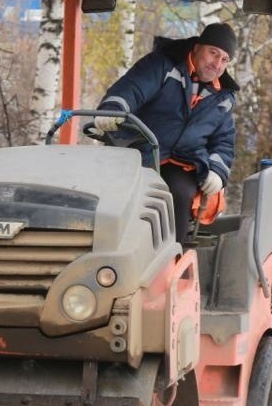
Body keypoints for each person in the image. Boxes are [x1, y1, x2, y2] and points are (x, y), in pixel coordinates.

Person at [93, 22, 238, 243]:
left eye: (225, 60)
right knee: (114, 193)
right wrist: (112, 109)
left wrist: (217, 170)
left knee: (178, 194)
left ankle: (172, 260)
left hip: (183, 162)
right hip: (140, 153)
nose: (217, 64)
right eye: (213, 53)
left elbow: (224, 142)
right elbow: (131, 90)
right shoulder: (163, 67)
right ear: (197, 47)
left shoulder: (223, 98)